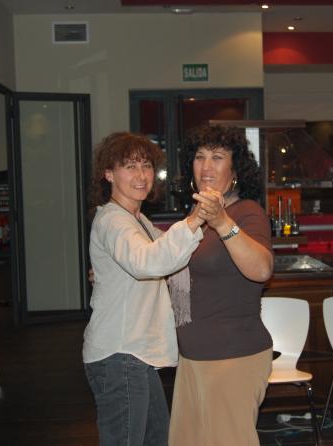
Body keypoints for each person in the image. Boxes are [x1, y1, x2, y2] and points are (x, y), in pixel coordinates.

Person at [83, 132, 205, 446]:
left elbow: (168, 253)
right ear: (109, 174)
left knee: (157, 439)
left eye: (146, 165)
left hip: (135, 356)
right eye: (130, 166)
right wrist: (194, 220)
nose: (141, 175)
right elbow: (147, 262)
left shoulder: (137, 220)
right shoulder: (113, 220)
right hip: (120, 354)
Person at [168, 125, 274, 446]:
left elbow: (262, 269)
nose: (206, 166)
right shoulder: (192, 219)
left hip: (232, 356)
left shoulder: (247, 212)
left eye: (217, 157)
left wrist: (222, 221)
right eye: (199, 157)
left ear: (235, 169)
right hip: (192, 358)